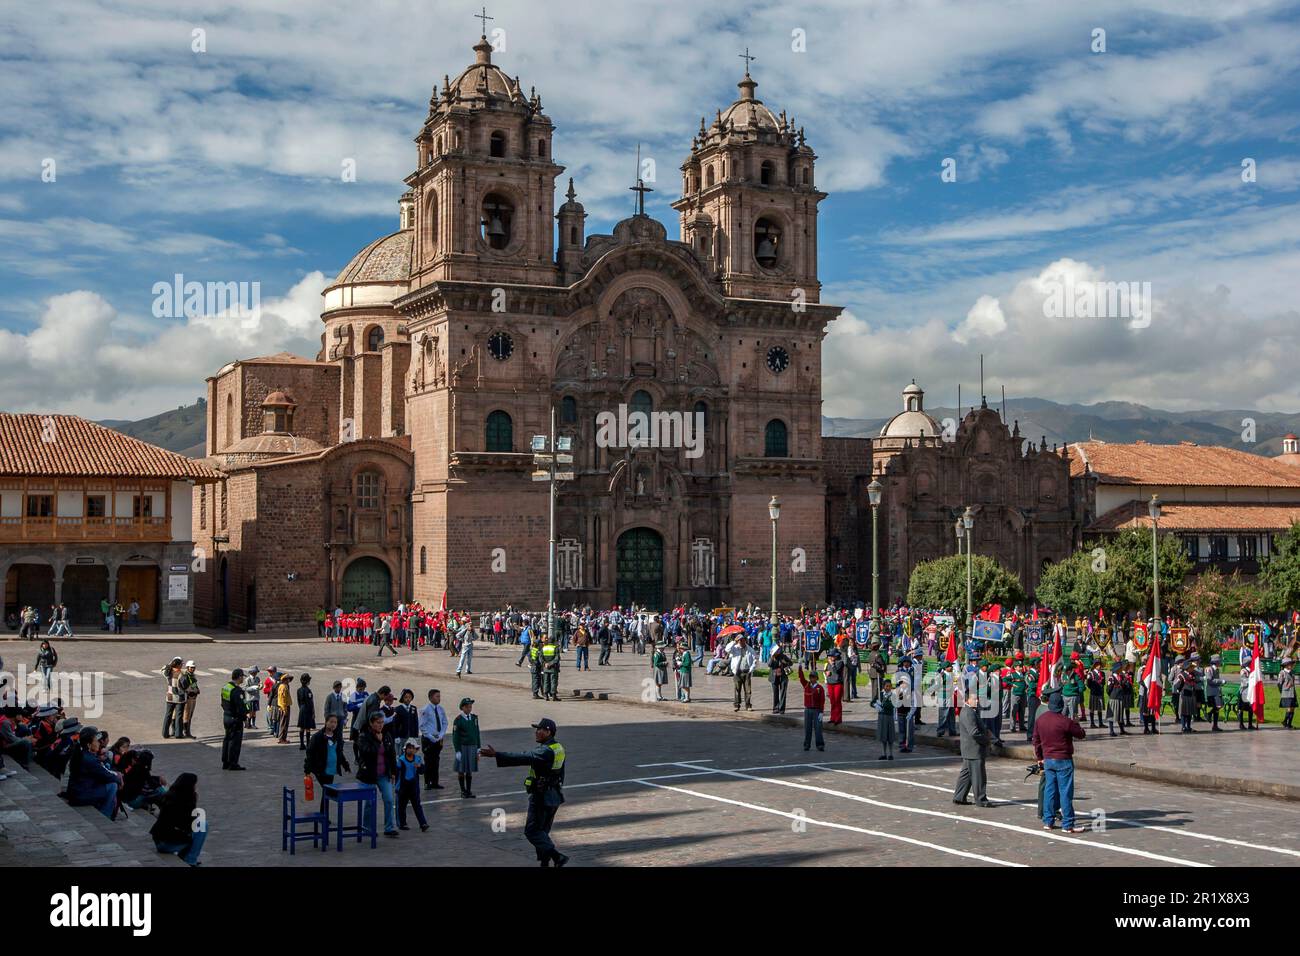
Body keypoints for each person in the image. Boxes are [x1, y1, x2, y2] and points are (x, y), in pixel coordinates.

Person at [479, 717, 568, 867]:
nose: (536, 732)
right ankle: (545, 862)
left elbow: (522, 757)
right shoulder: (558, 747)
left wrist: (497, 755)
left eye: (539, 729)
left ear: (548, 732)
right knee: (542, 832)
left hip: (542, 797)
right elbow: (561, 773)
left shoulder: (545, 751)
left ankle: (557, 856)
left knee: (532, 831)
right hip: (554, 795)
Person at [1032, 692, 1086, 833]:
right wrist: (1076, 723)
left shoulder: (1041, 720)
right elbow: (1081, 734)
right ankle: (1068, 824)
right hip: (1063, 759)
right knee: (1065, 792)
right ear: (1061, 706)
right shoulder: (1064, 721)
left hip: (1048, 759)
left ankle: (1048, 821)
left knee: (1050, 791)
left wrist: (1039, 757)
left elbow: (1036, 741)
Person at [356, 711, 399, 837]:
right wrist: (378, 742)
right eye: (378, 723)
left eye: (382, 723)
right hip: (369, 774)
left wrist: (393, 771)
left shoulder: (386, 735)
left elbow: (391, 754)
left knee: (389, 799)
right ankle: (367, 828)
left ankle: (389, 827)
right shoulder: (364, 736)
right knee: (369, 802)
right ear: (371, 723)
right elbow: (366, 752)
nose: (380, 725)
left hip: (383, 773)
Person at [150, 773, 205, 865]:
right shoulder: (185, 802)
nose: (196, 787)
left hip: (159, 841)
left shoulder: (170, 796)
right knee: (203, 825)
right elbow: (188, 825)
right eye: (195, 784)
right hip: (168, 844)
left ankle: (186, 855)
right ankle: (190, 859)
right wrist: (194, 803)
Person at [67, 726, 121, 819]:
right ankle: (105, 815)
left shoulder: (83, 754)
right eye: (96, 741)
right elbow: (107, 776)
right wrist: (118, 779)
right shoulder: (89, 759)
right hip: (81, 795)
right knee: (113, 785)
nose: (99, 743)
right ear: (89, 744)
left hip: (77, 792)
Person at [953, 688, 994, 807]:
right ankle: (981, 799)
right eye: (974, 699)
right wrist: (986, 740)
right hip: (973, 749)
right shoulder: (968, 712)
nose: (977, 701)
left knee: (966, 774)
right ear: (967, 700)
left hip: (969, 749)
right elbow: (974, 732)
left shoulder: (970, 710)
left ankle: (959, 796)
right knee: (978, 775)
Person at [304, 713, 351, 786]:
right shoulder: (317, 737)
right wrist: (307, 770)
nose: (333, 724)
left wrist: (345, 765)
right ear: (326, 722)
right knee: (327, 789)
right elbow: (310, 753)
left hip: (332, 769)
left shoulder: (337, 737)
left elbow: (339, 753)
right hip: (321, 770)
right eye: (331, 722)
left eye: (335, 722)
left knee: (327, 791)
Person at [396, 741, 430, 832]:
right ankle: (402, 823)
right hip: (403, 786)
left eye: (412, 748)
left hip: (414, 786)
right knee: (402, 806)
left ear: (416, 750)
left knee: (417, 805)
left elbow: (423, 771)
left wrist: (419, 767)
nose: (410, 750)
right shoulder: (401, 760)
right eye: (409, 748)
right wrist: (397, 786)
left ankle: (423, 823)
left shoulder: (418, 759)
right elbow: (397, 772)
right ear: (405, 750)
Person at [452, 696, 480, 798]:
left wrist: (478, 748)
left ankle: (468, 790)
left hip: (472, 747)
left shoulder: (474, 718)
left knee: (469, 770)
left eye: (470, 706)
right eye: (467, 707)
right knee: (461, 770)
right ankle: (462, 791)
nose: (469, 708)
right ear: (462, 708)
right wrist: (457, 750)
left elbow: (477, 733)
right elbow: (455, 736)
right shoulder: (458, 720)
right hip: (463, 747)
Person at [220, 668, 248, 771]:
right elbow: (240, 707)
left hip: (226, 716)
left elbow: (222, 703)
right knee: (235, 742)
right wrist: (245, 718)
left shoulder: (226, 687)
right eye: (242, 677)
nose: (243, 679)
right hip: (235, 719)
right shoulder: (237, 691)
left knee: (227, 739)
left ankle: (225, 762)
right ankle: (233, 763)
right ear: (239, 677)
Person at [419, 689, 448, 790]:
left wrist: (441, 735)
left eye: (439, 696)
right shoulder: (425, 710)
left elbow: (445, 722)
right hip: (428, 739)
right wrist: (431, 737)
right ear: (430, 698)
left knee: (436, 760)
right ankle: (427, 782)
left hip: (438, 738)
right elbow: (422, 726)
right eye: (437, 696)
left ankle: (435, 782)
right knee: (428, 761)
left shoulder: (440, 709)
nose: (439, 698)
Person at [797, 664, 825, 752]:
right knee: (807, 728)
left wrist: (821, 712)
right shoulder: (806, 685)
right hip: (808, 709)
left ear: (817, 678)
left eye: (813, 677)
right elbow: (801, 678)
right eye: (810, 677)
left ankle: (820, 744)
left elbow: (822, 701)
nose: (812, 679)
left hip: (817, 710)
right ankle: (807, 744)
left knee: (818, 728)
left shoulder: (820, 688)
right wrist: (800, 669)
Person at [729, 636, 756, 712]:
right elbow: (727, 649)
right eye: (739, 641)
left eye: (742, 640)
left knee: (748, 690)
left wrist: (751, 669)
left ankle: (748, 705)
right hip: (737, 672)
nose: (740, 642)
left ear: (745, 641)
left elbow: (754, 660)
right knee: (737, 689)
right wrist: (734, 641)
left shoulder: (750, 649)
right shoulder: (735, 648)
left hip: (747, 671)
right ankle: (737, 705)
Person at [162, 657, 185, 739]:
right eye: (181, 664)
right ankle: (178, 734)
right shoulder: (180, 674)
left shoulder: (167, 672)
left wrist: (170, 664)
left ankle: (165, 733)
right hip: (179, 698)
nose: (182, 665)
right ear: (178, 665)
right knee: (179, 716)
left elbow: (163, 668)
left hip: (169, 697)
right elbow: (184, 685)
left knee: (168, 715)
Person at [875, 678, 896, 760]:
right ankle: (883, 753)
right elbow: (872, 702)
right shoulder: (880, 694)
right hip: (882, 716)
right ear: (883, 687)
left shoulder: (893, 695)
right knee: (883, 736)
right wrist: (876, 705)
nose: (888, 688)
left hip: (889, 716)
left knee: (890, 736)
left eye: (890, 686)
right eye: (887, 686)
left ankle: (891, 754)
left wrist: (883, 705)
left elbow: (892, 705)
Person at [177, 662, 200, 738]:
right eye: (191, 667)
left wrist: (197, 689)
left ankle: (187, 732)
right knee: (186, 716)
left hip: (193, 698)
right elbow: (184, 688)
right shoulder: (185, 676)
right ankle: (186, 732)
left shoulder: (192, 676)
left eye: (194, 667)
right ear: (187, 668)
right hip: (188, 699)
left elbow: (194, 685)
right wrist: (193, 691)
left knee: (190, 716)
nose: (193, 669)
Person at [769, 642, 793, 714]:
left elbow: (791, 663)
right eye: (776, 650)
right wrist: (772, 657)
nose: (777, 651)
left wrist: (785, 662)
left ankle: (782, 709)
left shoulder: (783, 656)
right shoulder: (772, 657)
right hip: (774, 676)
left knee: (783, 693)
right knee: (775, 693)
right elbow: (769, 664)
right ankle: (775, 708)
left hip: (783, 676)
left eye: (778, 650)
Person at [296, 673, 317, 749]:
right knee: (308, 728)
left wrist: (301, 708)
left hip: (301, 709)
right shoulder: (308, 691)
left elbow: (298, 701)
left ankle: (301, 744)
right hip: (307, 709)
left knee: (302, 727)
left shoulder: (298, 690)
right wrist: (313, 712)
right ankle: (308, 744)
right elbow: (310, 702)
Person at [825, 650, 845, 726]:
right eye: (830, 656)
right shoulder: (829, 663)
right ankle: (832, 718)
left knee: (837, 701)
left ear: (836, 656)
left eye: (832, 656)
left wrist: (832, 664)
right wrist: (826, 672)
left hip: (837, 683)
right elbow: (826, 670)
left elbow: (836, 671)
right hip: (830, 683)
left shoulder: (840, 662)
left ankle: (838, 719)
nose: (831, 657)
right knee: (832, 702)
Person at [540, 635, 561, 701]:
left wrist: (545, 664)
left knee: (546, 681)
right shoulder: (555, 648)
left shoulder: (544, 648)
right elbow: (557, 658)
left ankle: (546, 695)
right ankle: (554, 695)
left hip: (545, 668)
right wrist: (550, 664)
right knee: (553, 681)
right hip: (553, 668)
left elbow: (540, 658)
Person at [276, 674, 295, 743]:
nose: (289, 680)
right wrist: (284, 709)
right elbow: (282, 699)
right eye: (287, 679)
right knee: (284, 723)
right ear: (284, 680)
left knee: (285, 723)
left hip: (285, 706)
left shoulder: (285, 686)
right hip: (284, 706)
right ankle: (282, 739)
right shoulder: (283, 687)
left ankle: (283, 738)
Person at [1281, 660, 1296, 729]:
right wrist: (1286, 687)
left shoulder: (1292, 672)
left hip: (1292, 693)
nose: (1292, 665)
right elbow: (1279, 683)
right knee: (1289, 709)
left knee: (1293, 709)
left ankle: (1289, 724)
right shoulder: (1282, 673)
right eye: (1291, 664)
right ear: (1286, 665)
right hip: (1286, 693)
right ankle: (1285, 722)